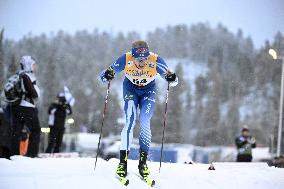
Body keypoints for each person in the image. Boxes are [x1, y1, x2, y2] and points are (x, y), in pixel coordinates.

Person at [100, 40, 178, 182]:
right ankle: (122, 164)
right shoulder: (125, 58)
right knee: (130, 120)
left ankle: (143, 165)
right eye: (139, 59)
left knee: (145, 121)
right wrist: (106, 75)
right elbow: (103, 76)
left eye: (145, 59)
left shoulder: (155, 60)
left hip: (148, 92)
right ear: (133, 56)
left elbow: (173, 79)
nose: (142, 62)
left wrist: (172, 78)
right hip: (130, 90)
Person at [10, 55, 41, 158]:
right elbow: (34, 94)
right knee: (36, 130)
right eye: (33, 64)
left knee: (16, 132)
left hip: (16, 107)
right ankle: (32, 155)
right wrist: (35, 90)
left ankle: (14, 155)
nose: (35, 67)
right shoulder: (26, 76)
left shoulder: (18, 75)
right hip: (27, 107)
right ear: (28, 65)